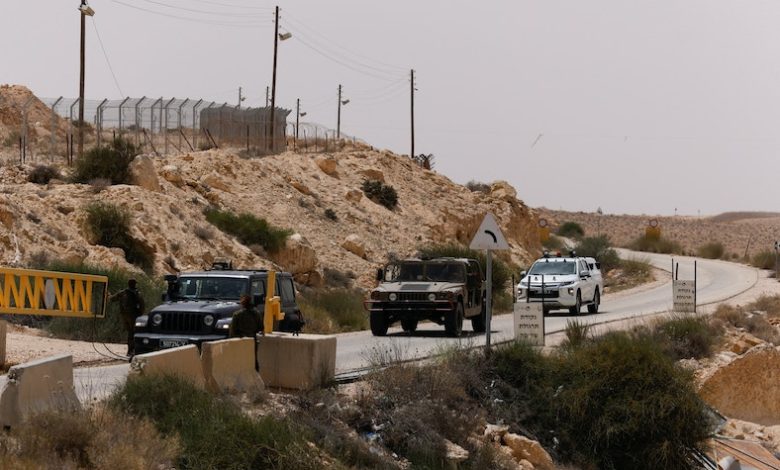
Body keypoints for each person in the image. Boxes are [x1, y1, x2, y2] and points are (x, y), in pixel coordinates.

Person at [109, 278, 145, 357]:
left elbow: (112, 299)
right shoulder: (137, 293)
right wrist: (140, 315)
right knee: (134, 333)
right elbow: (142, 306)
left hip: (124, 316)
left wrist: (108, 295)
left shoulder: (123, 293)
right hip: (134, 316)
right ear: (134, 284)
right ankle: (132, 351)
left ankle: (130, 351)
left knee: (130, 333)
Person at [230, 295, 263, 371]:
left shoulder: (237, 315)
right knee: (253, 361)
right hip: (252, 340)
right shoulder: (256, 314)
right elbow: (260, 327)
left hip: (240, 340)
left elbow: (232, 331)